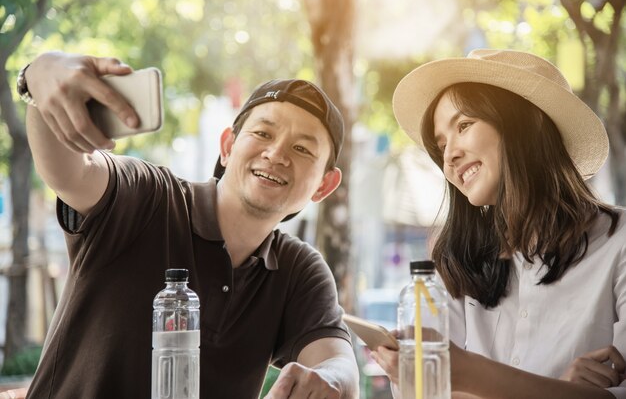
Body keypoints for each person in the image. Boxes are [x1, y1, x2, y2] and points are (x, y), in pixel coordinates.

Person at [18, 51, 359, 398]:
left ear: (324, 185)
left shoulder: (298, 270)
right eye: (263, 133)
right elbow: (68, 172)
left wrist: (330, 377)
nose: (277, 154)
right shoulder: (147, 197)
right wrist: (43, 76)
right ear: (227, 146)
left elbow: (338, 363)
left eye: (302, 149)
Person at [373, 49, 626, 399]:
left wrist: (465, 374)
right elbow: (425, 393)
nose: (448, 156)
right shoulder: (457, 264)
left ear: (528, 125)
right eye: (441, 144)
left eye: (463, 126)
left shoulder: (619, 243)